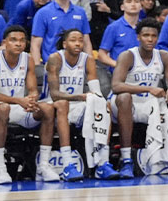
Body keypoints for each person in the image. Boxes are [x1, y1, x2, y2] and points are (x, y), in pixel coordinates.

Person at [109, 19, 168, 177]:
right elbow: (116, 86)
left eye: (153, 36)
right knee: (124, 97)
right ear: (138, 37)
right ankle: (126, 160)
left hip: (150, 103)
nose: (150, 39)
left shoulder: (164, 56)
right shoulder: (128, 56)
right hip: (125, 104)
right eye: (146, 35)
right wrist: (148, 88)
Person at [45, 28, 119, 180]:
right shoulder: (55, 58)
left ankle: (102, 163)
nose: (78, 43)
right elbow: (54, 94)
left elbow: (95, 90)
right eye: (73, 40)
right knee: (62, 104)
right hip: (52, 104)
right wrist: (80, 96)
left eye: (80, 40)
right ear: (65, 44)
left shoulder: (88, 59)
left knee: (104, 106)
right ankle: (67, 165)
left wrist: (97, 100)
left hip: (77, 104)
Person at [0, 25, 59, 183]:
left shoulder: (28, 59)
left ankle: (43, 165)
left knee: (47, 108)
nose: (18, 44)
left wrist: (31, 100)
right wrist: (20, 101)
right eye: (13, 40)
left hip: (20, 108)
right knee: (3, 108)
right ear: (5, 42)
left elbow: (33, 89)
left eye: (22, 41)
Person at [31, 0, 92, 64]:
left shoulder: (81, 12)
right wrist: (37, 68)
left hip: (77, 66)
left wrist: (90, 65)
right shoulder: (42, 13)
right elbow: (35, 44)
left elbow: (86, 42)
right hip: (52, 66)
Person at [98, 0, 143, 73]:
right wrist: (118, 65)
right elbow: (101, 54)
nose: (133, 4)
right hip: (120, 77)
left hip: (142, 74)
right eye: (129, 2)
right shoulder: (113, 27)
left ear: (141, 6)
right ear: (122, 7)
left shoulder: (145, 27)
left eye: (136, 1)